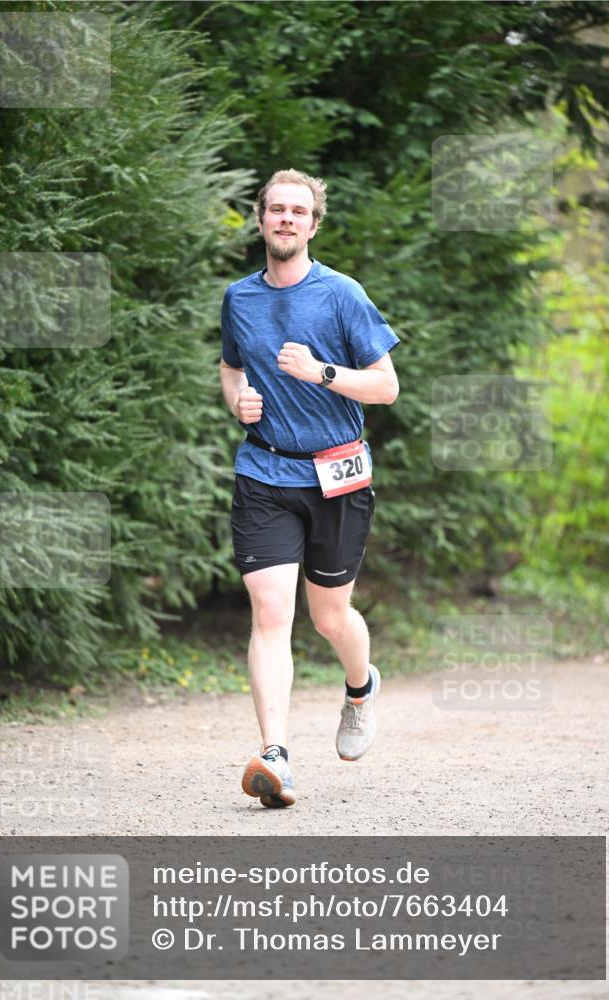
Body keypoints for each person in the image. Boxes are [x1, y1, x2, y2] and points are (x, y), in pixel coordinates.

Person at [220, 168, 400, 808]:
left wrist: (322, 372)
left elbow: (386, 386)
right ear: (261, 218)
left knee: (329, 617)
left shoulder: (342, 295)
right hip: (264, 471)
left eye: (299, 211)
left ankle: (360, 686)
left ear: (314, 224)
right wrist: (237, 401)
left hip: (337, 474)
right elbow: (231, 366)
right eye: (277, 210)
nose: (287, 219)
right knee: (270, 613)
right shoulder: (239, 298)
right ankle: (275, 757)